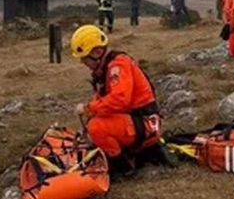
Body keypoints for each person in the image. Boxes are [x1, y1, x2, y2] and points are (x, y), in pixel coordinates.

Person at [70, 25, 171, 175]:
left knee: (97, 128)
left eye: (85, 59)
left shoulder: (118, 66)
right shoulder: (107, 69)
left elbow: (119, 100)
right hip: (140, 122)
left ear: (97, 52)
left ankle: (122, 168)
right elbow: (105, 102)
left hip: (145, 123)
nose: (85, 64)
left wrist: (88, 109)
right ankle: (125, 155)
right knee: (93, 125)